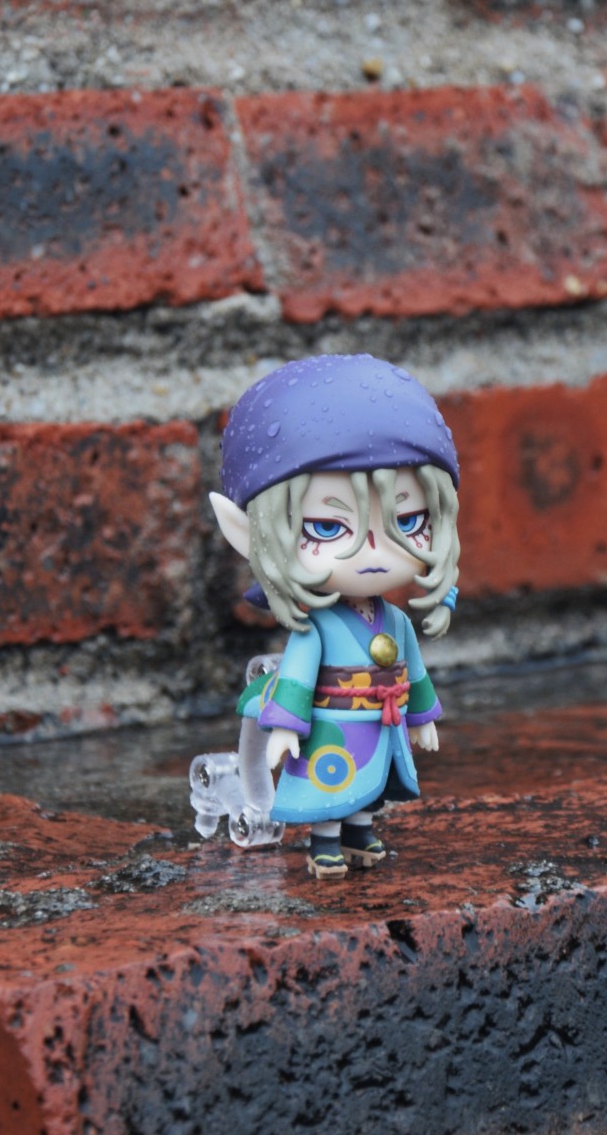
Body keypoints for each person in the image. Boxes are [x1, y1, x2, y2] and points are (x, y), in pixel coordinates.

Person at [209, 354, 462, 879]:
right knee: (329, 785)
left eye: (408, 521)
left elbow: (414, 671)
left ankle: (360, 833)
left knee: (371, 789)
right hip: (332, 724)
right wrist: (285, 728)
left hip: (382, 722)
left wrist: (422, 717)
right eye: (326, 527)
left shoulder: (395, 621)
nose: (375, 552)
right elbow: (297, 677)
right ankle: (325, 842)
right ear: (254, 533)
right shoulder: (317, 626)